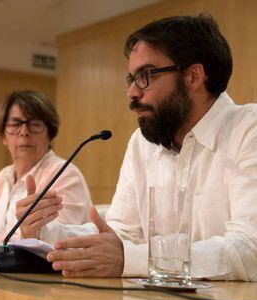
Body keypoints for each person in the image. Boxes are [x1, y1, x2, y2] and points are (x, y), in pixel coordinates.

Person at [46, 14, 257, 281]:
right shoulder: (142, 143)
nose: (132, 93)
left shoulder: (249, 130)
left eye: (145, 76)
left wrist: (132, 259)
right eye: (131, 79)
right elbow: (123, 236)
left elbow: (250, 249)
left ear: (193, 76)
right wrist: (46, 234)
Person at [0, 90, 92, 247]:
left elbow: (56, 239)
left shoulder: (65, 174)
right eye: (15, 124)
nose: (24, 132)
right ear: (3, 136)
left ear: (50, 134)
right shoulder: (4, 175)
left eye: (34, 124)